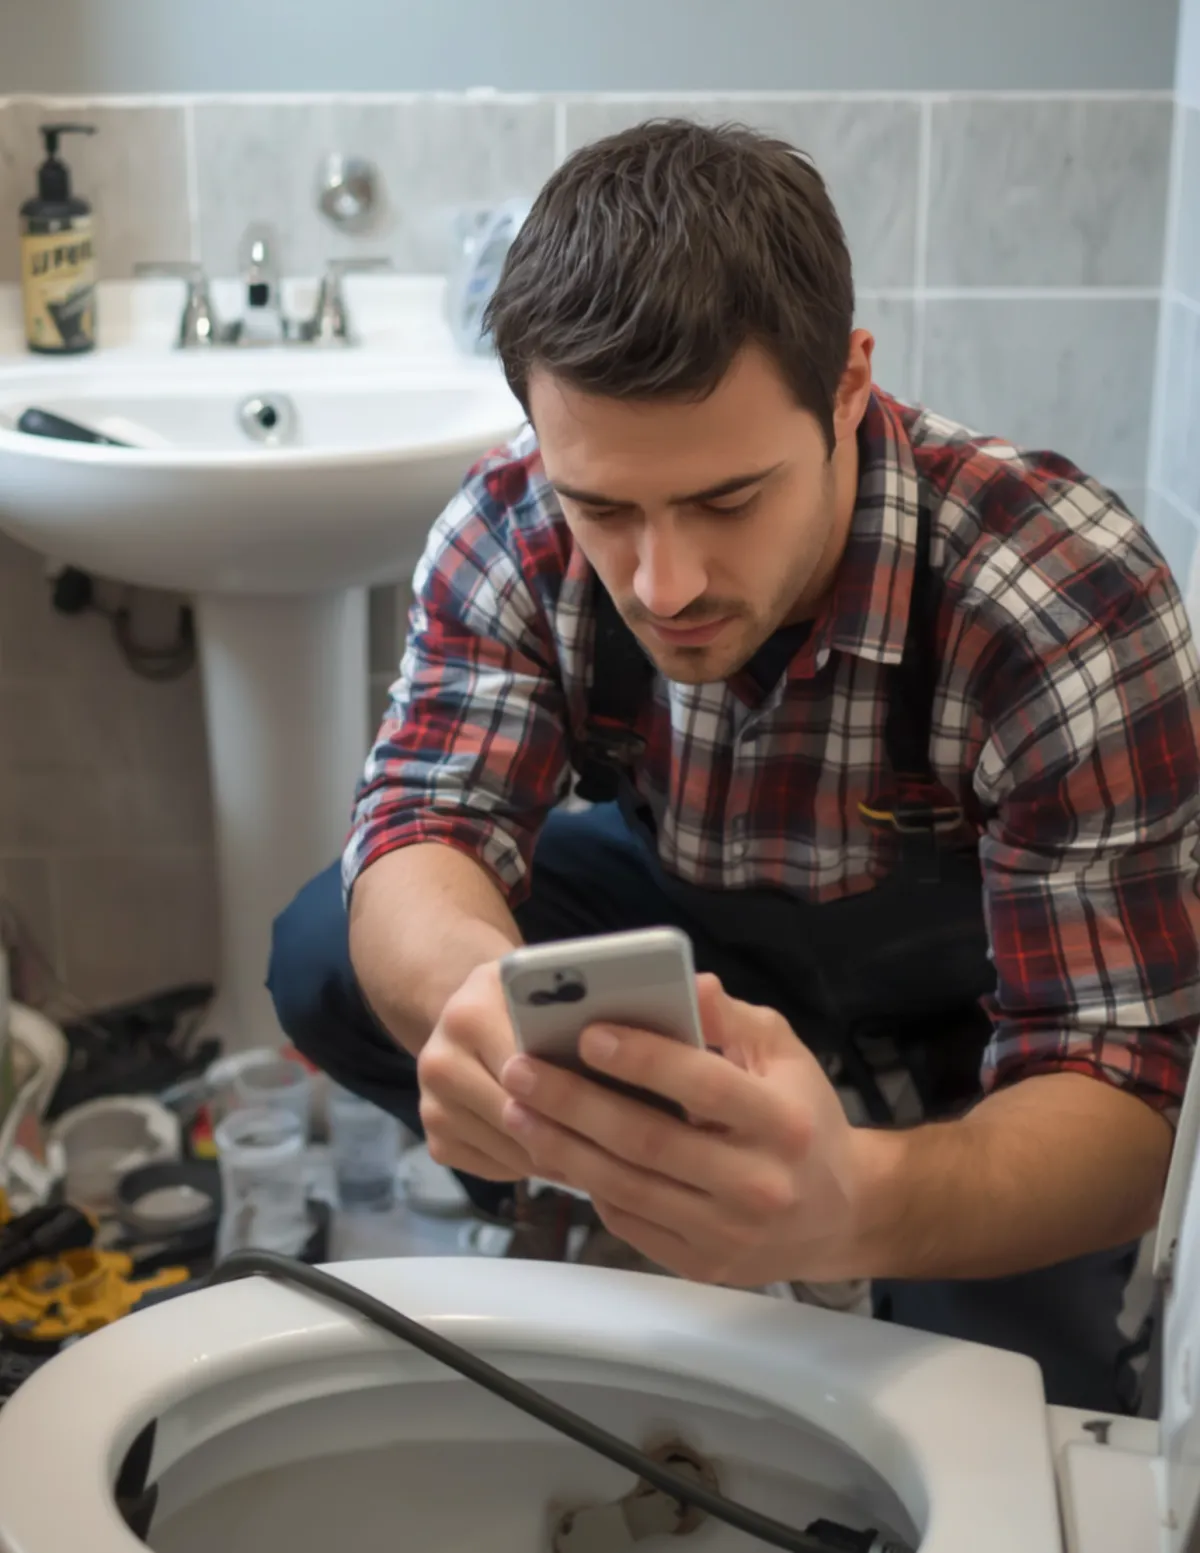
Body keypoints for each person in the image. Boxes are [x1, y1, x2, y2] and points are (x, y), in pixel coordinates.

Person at [268, 120, 1200, 1413]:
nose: (666, 585)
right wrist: (485, 1027)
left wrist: (858, 1207)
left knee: (1002, 1402)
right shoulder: (513, 527)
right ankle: (636, 1211)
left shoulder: (1055, 597)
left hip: (978, 1030)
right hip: (696, 951)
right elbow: (423, 828)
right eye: (606, 508)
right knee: (321, 951)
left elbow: (1128, 1106)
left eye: (727, 500)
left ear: (850, 390)